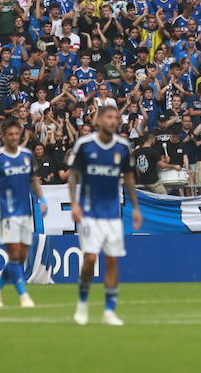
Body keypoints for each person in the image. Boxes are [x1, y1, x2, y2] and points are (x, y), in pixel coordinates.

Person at [68, 104, 142, 326]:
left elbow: (128, 178)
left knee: (111, 261)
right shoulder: (84, 144)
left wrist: (136, 208)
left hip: (112, 214)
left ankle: (109, 310)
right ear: (98, 121)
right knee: (90, 258)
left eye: (116, 117)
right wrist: (74, 204)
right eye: (109, 117)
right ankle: (82, 304)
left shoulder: (122, 147)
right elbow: (73, 175)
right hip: (89, 212)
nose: (113, 121)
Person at [0, 119, 45, 309]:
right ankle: (23, 295)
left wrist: (42, 200)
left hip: (25, 212)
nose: (14, 137)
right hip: (7, 213)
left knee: (21, 256)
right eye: (10, 134)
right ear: (3, 136)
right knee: (15, 253)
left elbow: (33, 180)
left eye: (17, 134)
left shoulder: (27, 155)